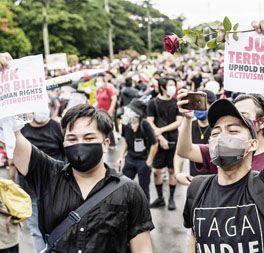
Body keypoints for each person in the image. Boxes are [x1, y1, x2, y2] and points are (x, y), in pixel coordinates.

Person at [182, 20, 264, 252]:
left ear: (253, 143)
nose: (222, 137)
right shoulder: (198, 189)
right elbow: (194, 239)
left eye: (233, 130)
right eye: (216, 132)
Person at [0, 89, 154, 252]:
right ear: (64, 143)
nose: (80, 144)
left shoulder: (130, 191)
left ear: (105, 144)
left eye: (88, 138)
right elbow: (10, 133)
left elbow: (142, 248)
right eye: (72, 139)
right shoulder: (49, 175)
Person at [18, 106, 65, 253]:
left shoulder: (57, 128)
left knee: (59, 228)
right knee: (37, 231)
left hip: (55, 187)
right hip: (30, 189)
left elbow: (67, 153)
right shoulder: (22, 129)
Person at [146, 77, 182, 210]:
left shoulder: (176, 102)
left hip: (173, 140)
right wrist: (160, 136)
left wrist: (162, 130)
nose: (173, 87)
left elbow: (179, 121)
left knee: (172, 170)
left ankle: (171, 198)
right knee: (157, 171)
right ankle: (160, 198)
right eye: (170, 84)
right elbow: (150, 121)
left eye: (174, 84)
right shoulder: (153, 103)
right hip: (157, 141)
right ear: (162, 87)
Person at [118, 98, 158, 202]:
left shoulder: (144, 124)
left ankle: (144, 212)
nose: (128, 112)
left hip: (143, 160)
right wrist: (121, 156)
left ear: (137, 113)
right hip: (130, 159)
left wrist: (149, 162)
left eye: (131, 111)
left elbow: (154, 144)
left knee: (143, 190)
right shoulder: (126, 125)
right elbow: (125, 141)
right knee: (124, 185)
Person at [175, 89, 216, 185]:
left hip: (213, 182)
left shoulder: (217, 128)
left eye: (200, 103)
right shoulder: (188, 126)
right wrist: (177, 173)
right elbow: (179, 152)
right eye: (195, 103)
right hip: (194, 181)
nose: (197, 108)